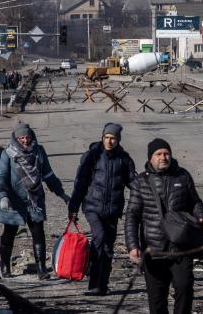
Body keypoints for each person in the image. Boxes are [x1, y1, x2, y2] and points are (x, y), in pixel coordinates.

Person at [125, 138, 203, 314]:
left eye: (166, 153)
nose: (163, 157)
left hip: (181, 245)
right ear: (150, 158)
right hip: (153, 250)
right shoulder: (140, 182)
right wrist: (132, 246)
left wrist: (202, 216)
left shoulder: (182, 175)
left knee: (185, 288)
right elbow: (132, 216)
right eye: (159, 154)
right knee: (157, 301)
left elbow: (195, 201)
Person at [67, 123, 136, 296]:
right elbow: (81, 182)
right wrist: (73, 206)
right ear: (102, 137)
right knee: (99, 238)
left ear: (118, 139)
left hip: (113, 209)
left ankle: (102, 286)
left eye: (113, 138)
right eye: (106, 137)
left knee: (108, 248)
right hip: (93, 207)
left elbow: (133, 183)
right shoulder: (92, 156)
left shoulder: (124, 159)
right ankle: (93, 283)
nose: (109, 141)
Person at [0, 122, 69, 279]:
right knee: (9, 234)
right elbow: (1, 177)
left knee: (38, 233)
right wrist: (3, 196)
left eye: (27, 137)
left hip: (35, 200)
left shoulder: (39, 152)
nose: (25, 141)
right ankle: (5, 267)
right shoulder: (7, 154)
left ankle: (41, 268)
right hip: (12, 201)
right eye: (22, 138)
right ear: (16, 138)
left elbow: (48, 175)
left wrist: (62, 194)